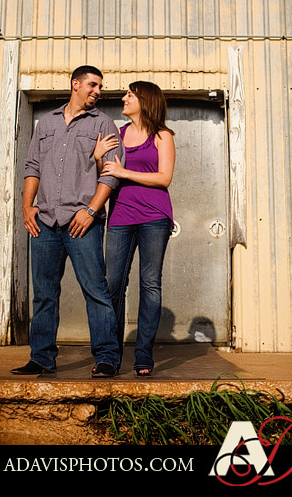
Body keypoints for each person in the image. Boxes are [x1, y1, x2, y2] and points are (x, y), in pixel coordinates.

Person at [11, 65, 124, 378]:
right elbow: (32, 166)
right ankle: (42, 358)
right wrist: (26, 207)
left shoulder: (103, 124)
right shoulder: (46, 123)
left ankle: (107, 358)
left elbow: (111, 174)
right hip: (45, 221)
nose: (97, 91)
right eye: (92, 85)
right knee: (44, 293)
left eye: (100, 87)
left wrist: (91, 211)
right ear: (75, 84)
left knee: (96, 291)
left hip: (82, 223)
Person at [94, 81, 175, 377]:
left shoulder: (163, 136)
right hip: (120, 216)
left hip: (155, 216)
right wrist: (98, 157)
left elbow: (164, 178)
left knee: (150, 284)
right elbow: (107, 173)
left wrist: (125, 172)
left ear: (145, 100)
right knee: (113, 285)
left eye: (130, 94)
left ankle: (143, 356)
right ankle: (109, 356)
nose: (124, 98)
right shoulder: (118, 134)